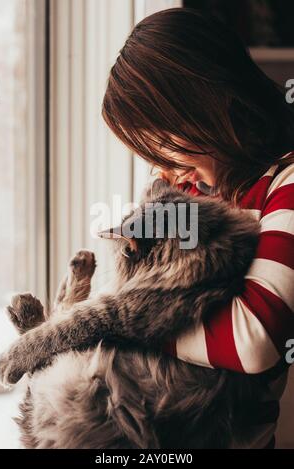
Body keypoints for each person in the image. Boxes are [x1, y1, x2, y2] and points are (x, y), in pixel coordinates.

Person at [102, 8, 294, 448]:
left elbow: (254, 339)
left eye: (162, 141)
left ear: (206, 106)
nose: (157, 165)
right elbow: (137, 288)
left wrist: (118, 323)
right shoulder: (190, 188)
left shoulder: (285, 186)